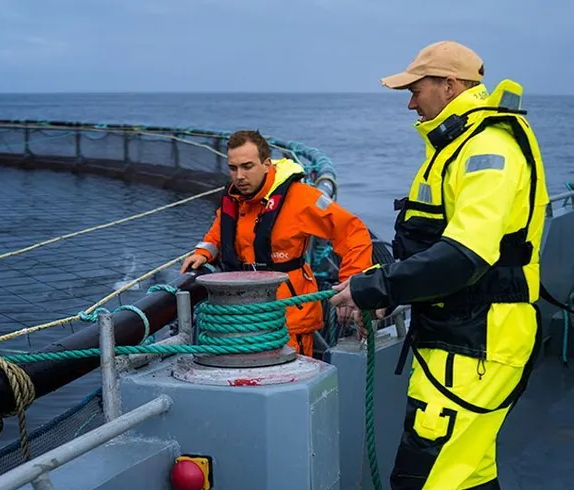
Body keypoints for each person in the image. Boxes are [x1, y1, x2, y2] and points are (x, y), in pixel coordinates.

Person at [330, 40, 549, 489]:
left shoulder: (488, 149)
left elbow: (464, 255)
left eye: (416, 89)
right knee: (469, 476)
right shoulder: (452, 146)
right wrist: (393, 296)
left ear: (450, 86)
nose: (410, 102)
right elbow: (431, 248)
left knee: (421, 481)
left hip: (477, 347)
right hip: (458, 338)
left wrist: (377, 288)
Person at [180, 129, 374, 357]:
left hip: (289, 319)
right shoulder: (235, 201)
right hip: (241, 317)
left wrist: (351, 282)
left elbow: (353, 231)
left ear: (267, 164)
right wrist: (204, 251)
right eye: (233, 168)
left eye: (247, 166)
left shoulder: (302, 198)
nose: (239, 176)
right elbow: (220, 232)